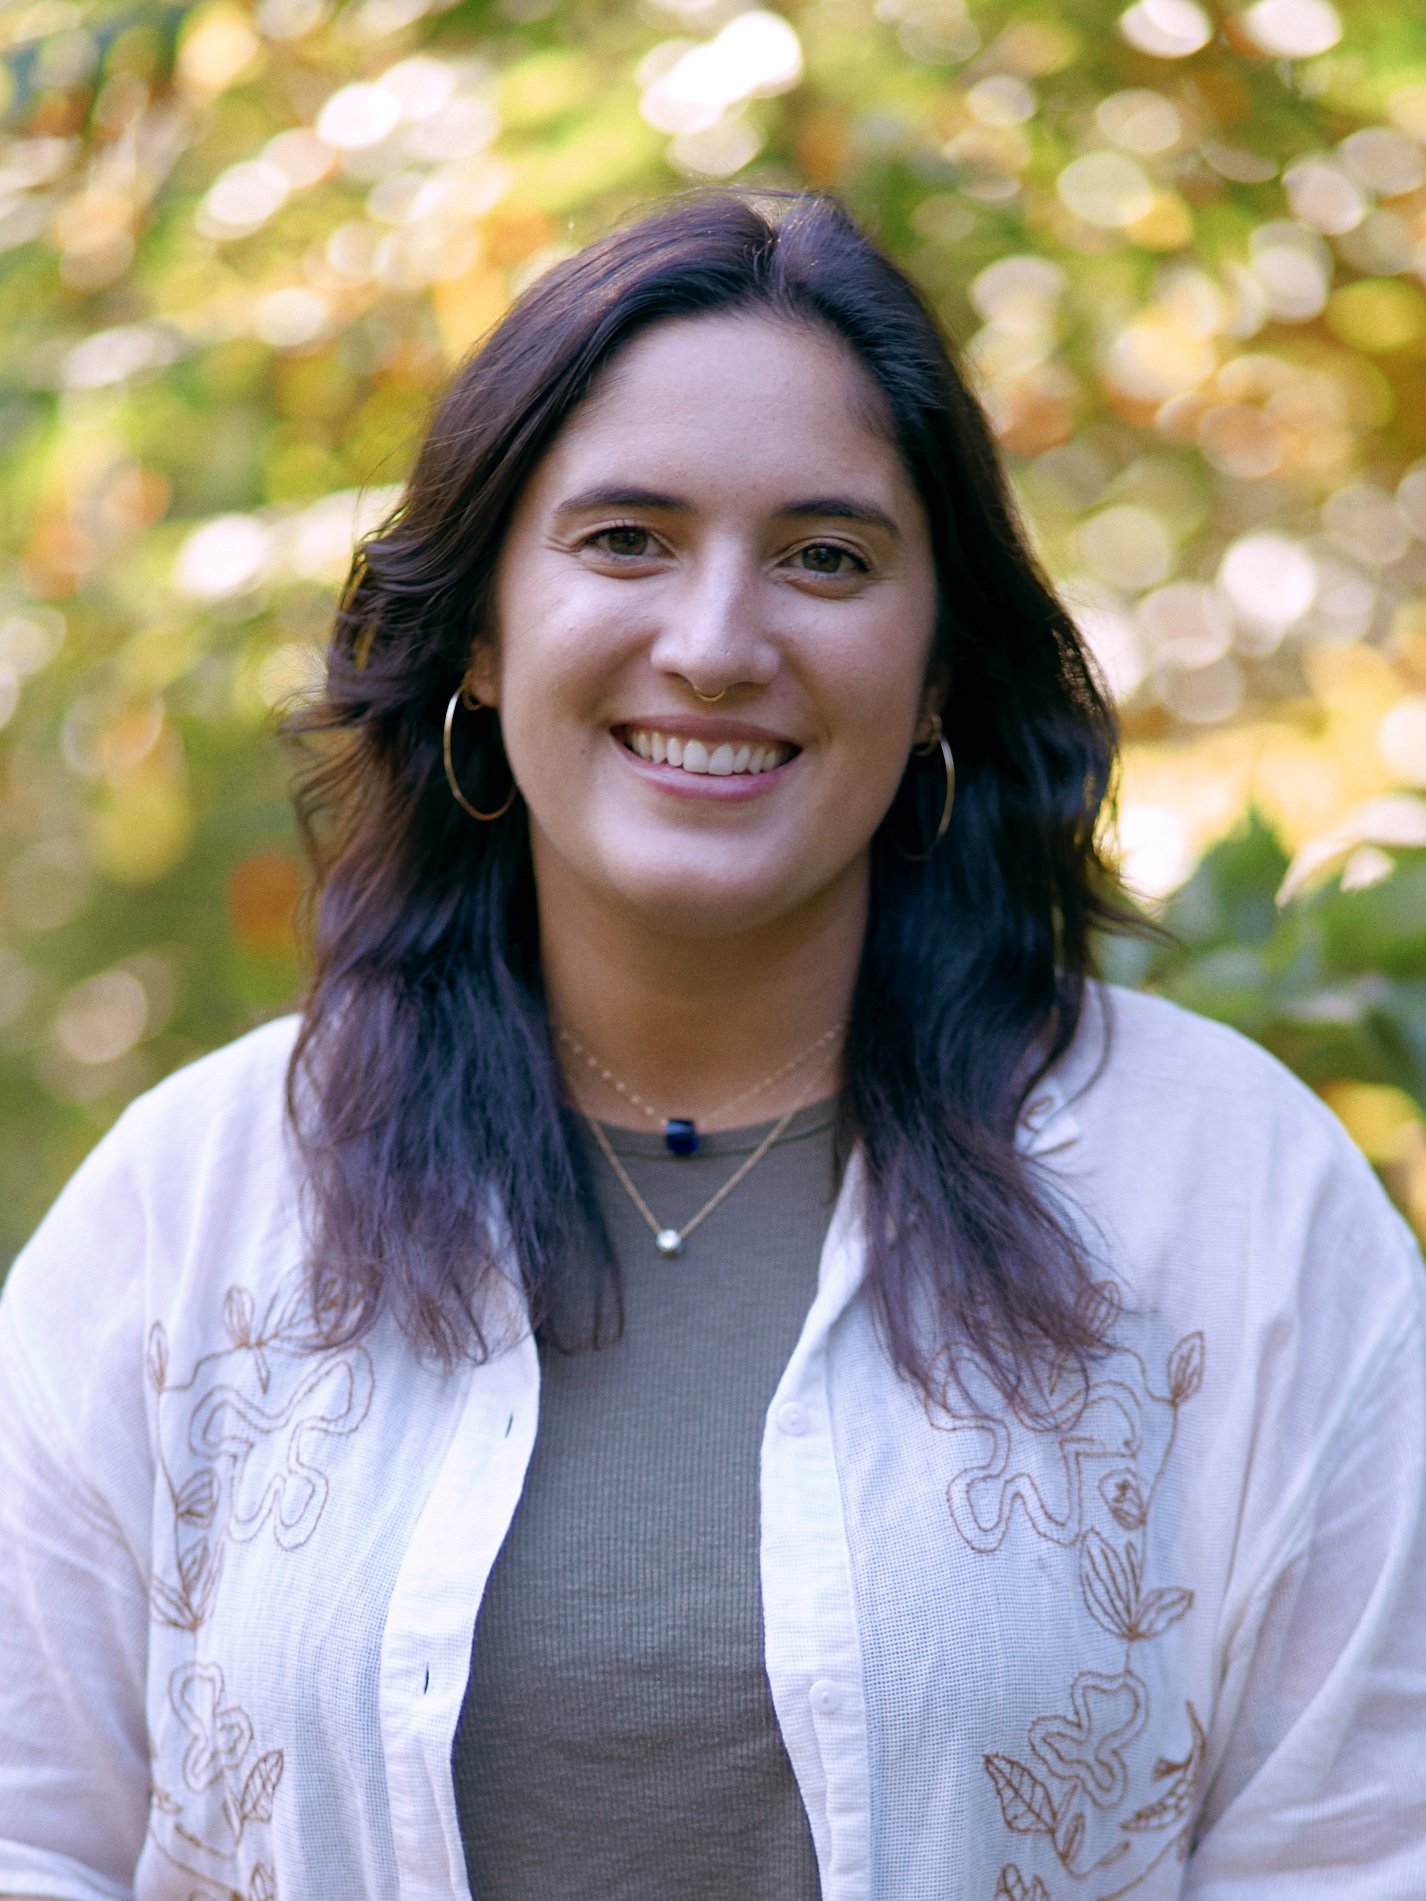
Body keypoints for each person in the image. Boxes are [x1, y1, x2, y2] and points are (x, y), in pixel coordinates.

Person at [1, 189, 1423, 1901]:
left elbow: (1359, 1853)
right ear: (479, 625)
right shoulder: (198, 1200)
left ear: (940, 665)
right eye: (624, 539)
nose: (717, 643)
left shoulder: (1233, 1191)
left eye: (826, 556)